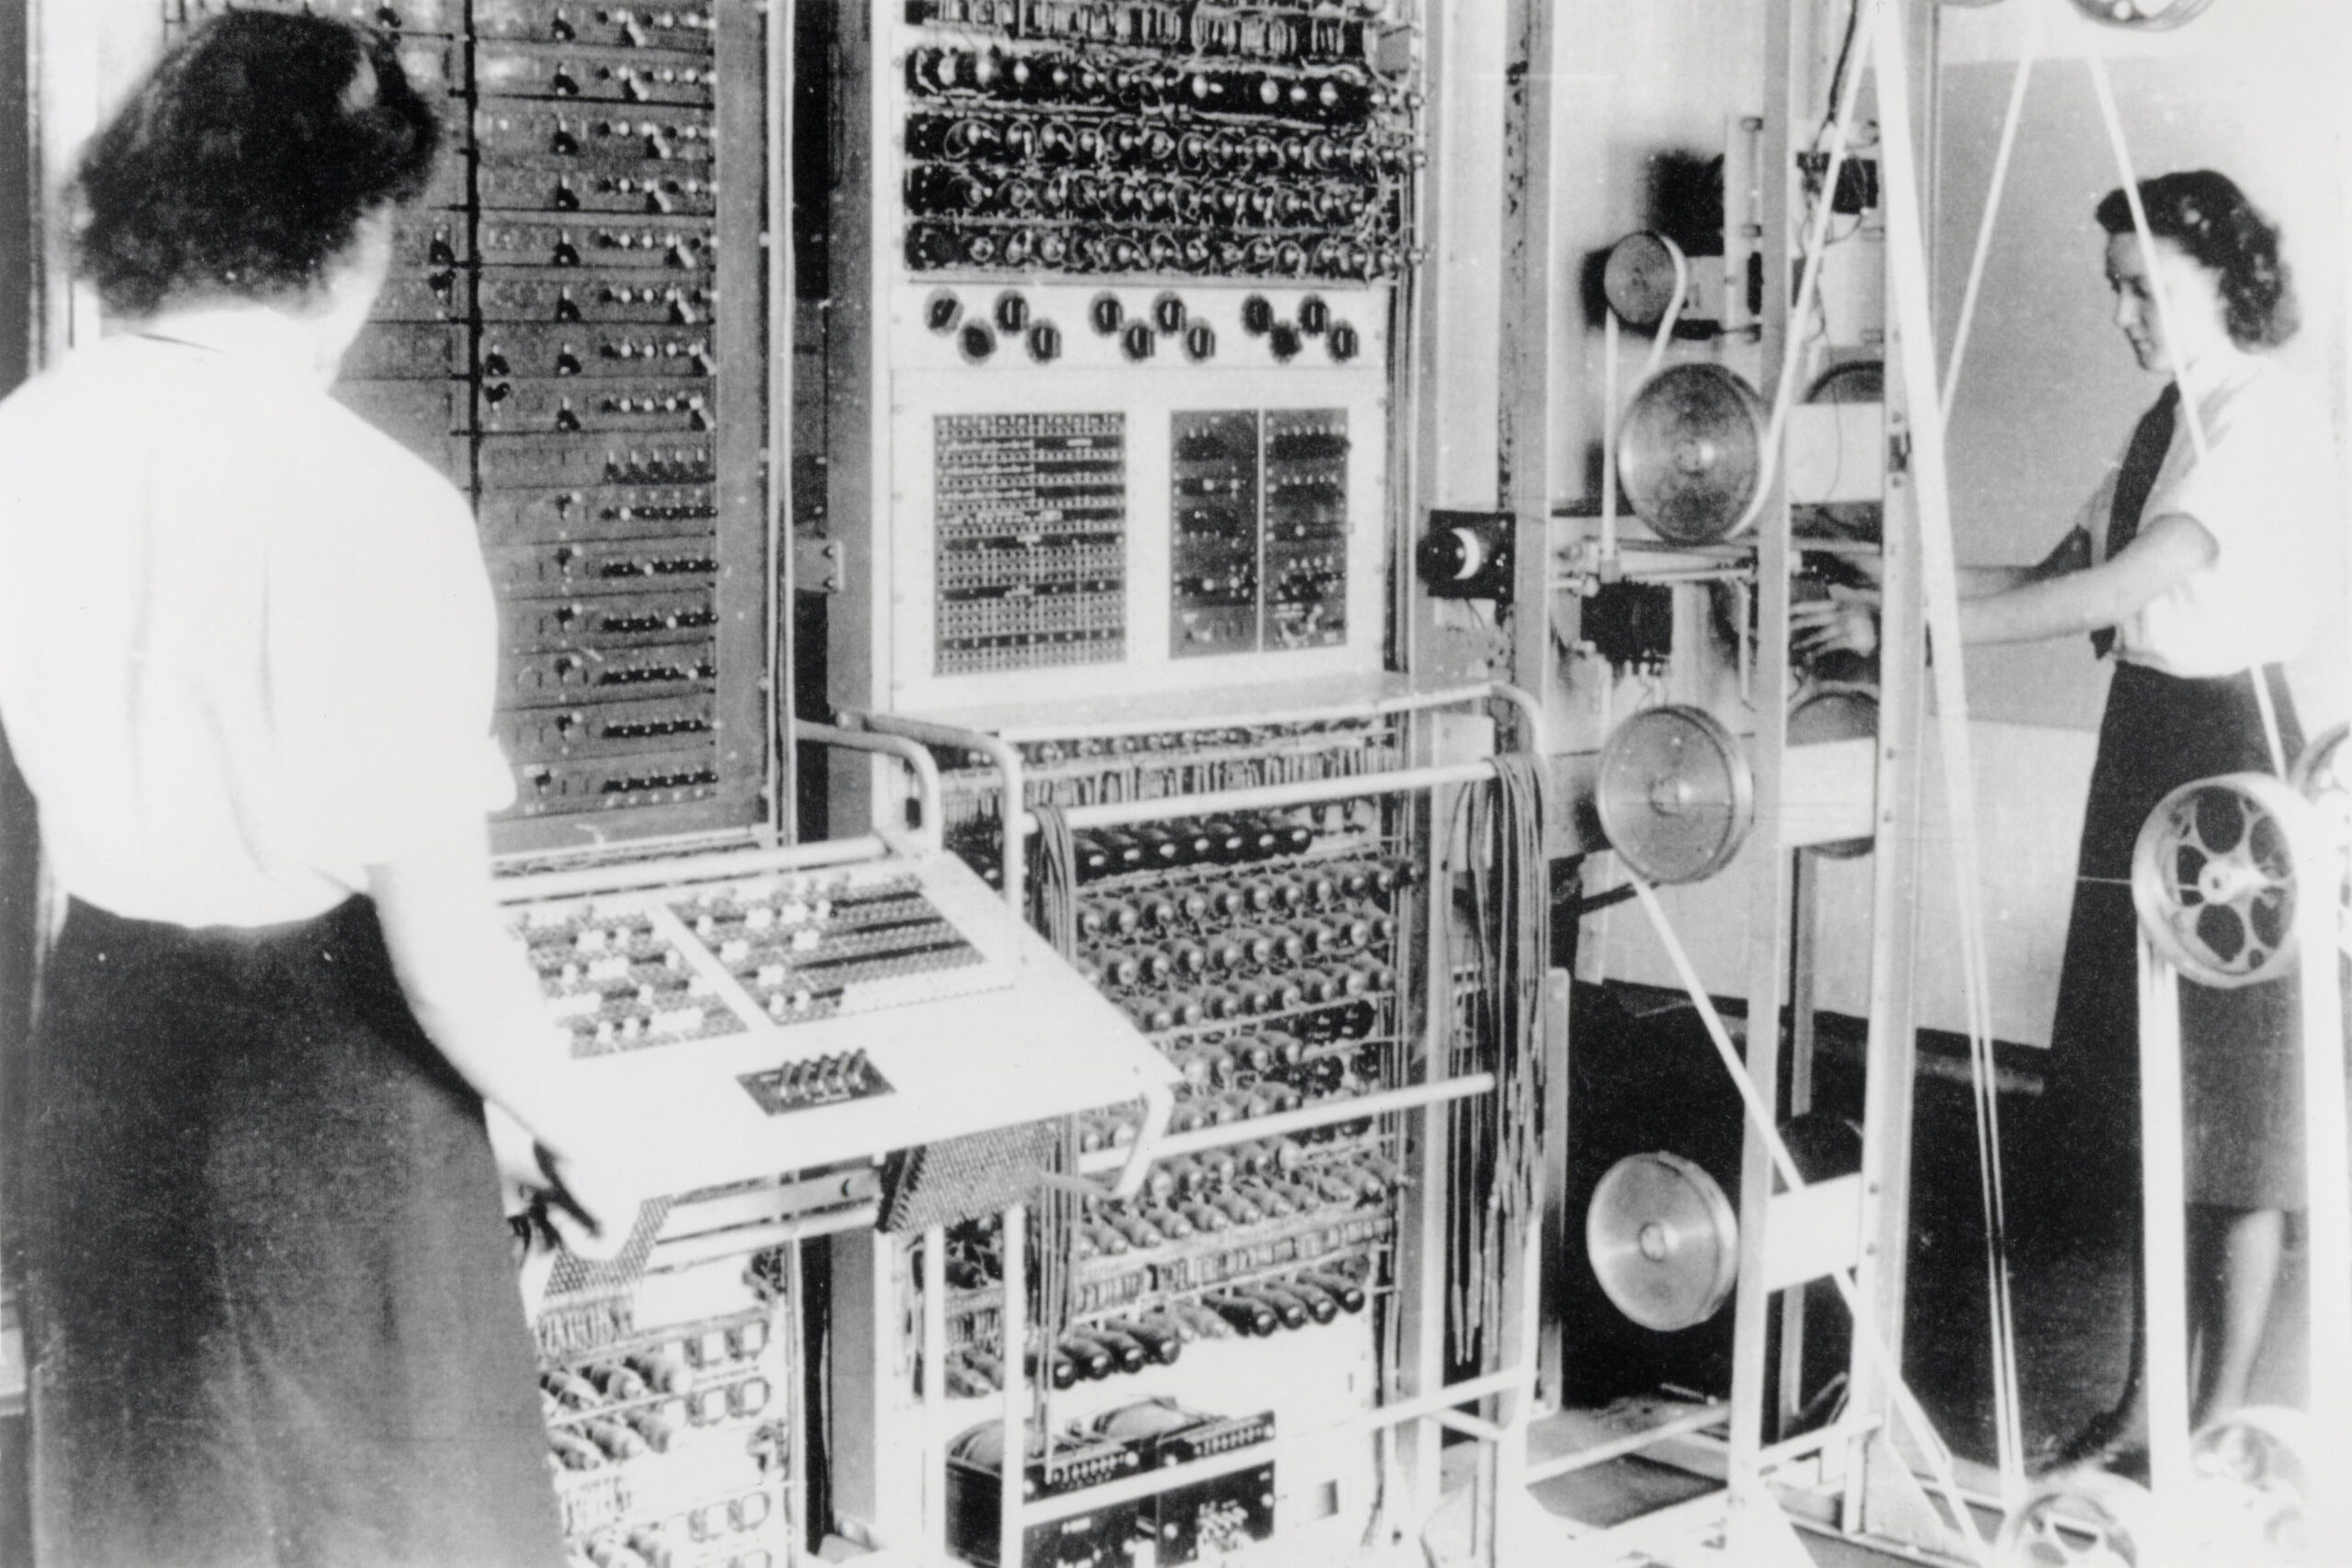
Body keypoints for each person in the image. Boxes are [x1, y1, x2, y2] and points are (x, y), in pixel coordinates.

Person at [0, 16, 649, 1565]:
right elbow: (445, 952)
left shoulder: (20, 448)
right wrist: (572, 1127)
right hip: (334, 1112)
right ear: (353, 235)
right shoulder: (373, 507)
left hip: (105, 1058)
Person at [1796, 169, 2326, 1465]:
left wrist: (1911, 629)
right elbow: (2056, 580)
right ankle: (2146, 1409)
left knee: (2234, 1108)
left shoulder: (2265, 418)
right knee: (2151, 1091)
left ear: (2222, 276)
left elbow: (2151, 574)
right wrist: (1889, 578)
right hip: (2143, 743)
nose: (2126, 316)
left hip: (2230, 764)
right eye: (2114, 292)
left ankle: (2216, 1424)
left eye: (2145, 290)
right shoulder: (2168, 417)